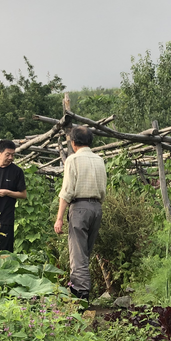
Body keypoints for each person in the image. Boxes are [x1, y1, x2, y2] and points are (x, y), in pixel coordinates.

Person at [54, 126, 106, 300]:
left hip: (80, 208)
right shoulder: (99, 160)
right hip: (96, 208)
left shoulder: (73, 160)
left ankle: (80, 295)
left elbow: (67, 191)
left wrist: (59, 217)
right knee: (85, 252)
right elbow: (103, 190)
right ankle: (83, 290)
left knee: (77, 254)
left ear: (73, 142)